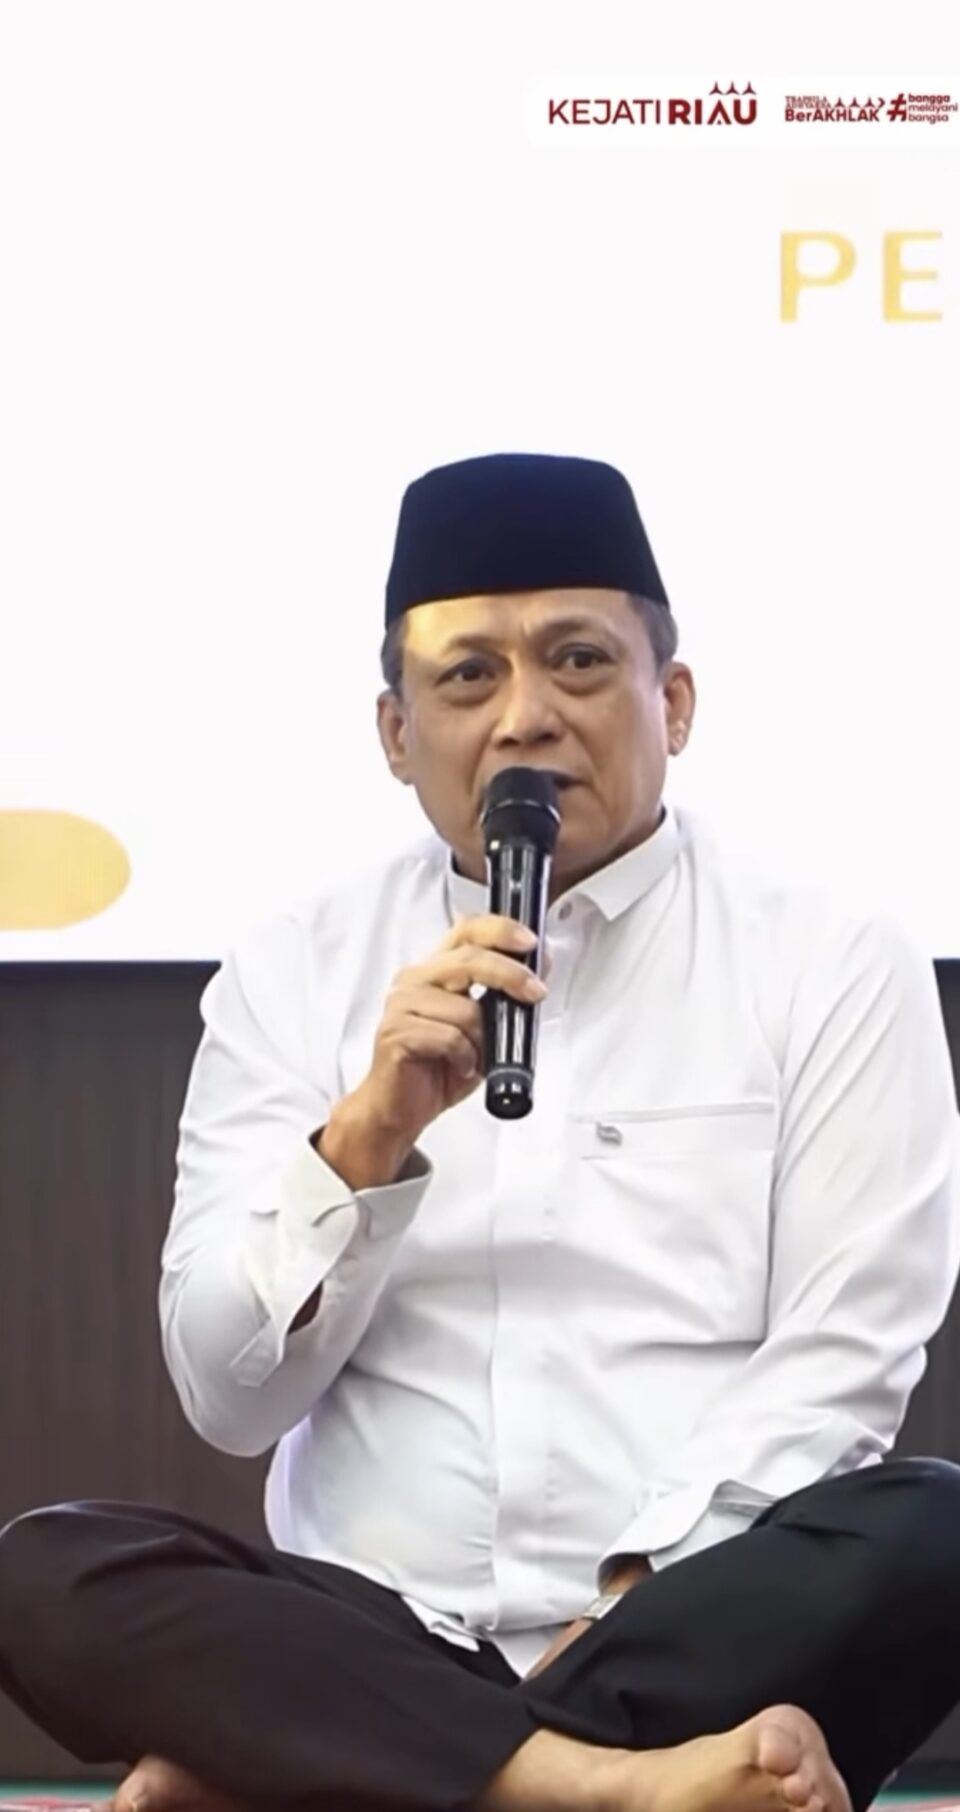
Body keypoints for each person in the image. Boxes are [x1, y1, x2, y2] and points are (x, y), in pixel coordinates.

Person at [1, 452, 960, 1812]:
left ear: (675, 702)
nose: (525, 717)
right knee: (43, 1568)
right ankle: (604, 1789)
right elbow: (229, 1396)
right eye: (468, 677)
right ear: (396, 735)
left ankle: (328, 1770)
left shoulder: (833, 958)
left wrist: (624, 1608)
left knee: (934, 1527)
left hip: (687, 1620)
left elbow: (842, 1363)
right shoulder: (297, 966)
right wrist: (367, 1136)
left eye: (578, 661)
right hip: (381, 1626)